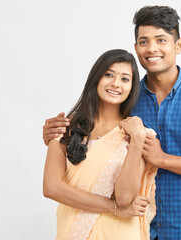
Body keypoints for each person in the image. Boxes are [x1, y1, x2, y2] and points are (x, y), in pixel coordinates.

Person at [43, 6, 181, 240]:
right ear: (136, 48)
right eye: (143, 41)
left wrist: (163, 160)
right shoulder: (125, 98)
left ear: (178, 45)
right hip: (135, 231)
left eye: (161, 40)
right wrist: (57, 137)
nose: (152, 49)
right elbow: (96, 144)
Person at [43, 49, 157, 240]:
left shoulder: (138, 134)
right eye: (109, 75)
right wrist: (111, 208)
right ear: (96, 78)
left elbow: (124, 198)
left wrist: (137, 140)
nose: (115, 83)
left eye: (124, 79)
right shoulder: (65, 128)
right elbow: (51, 187)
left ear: (131, 88)